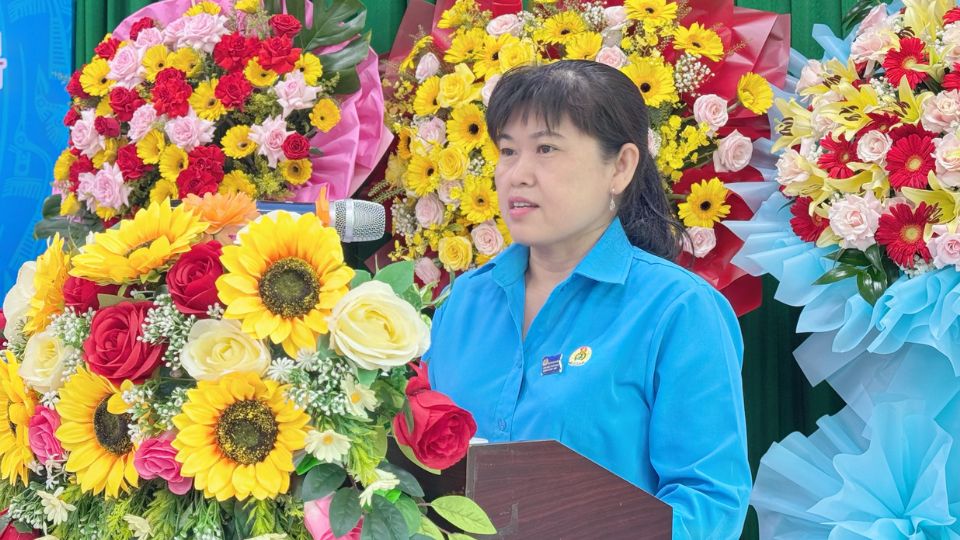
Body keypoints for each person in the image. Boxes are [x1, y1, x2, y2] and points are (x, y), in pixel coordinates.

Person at [424, 60, 751, 539]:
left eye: (547, 149)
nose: (518, 174)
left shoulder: (678, 309)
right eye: (508, 151)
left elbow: (709, 505)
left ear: (620, 167)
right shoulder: (465, 301)